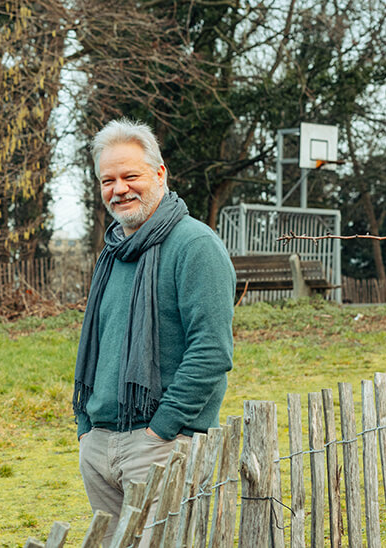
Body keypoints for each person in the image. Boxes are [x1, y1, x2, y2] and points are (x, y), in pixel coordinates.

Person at [72, 119, 235, 544]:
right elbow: (98, 345)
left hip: (161, 444)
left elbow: (211, 352)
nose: (119, 189)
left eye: (131, 176)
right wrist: (85, 427)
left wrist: (161, 430)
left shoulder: (195, 246)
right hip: (101, 443)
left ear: (160, 174)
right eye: (108, 180)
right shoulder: (113, 254)